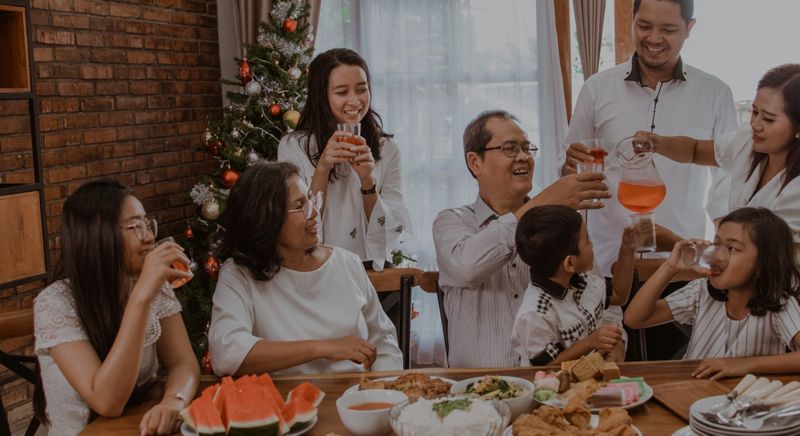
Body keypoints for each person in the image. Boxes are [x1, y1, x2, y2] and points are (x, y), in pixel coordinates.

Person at [561, 0, 738, 278]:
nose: (654, 39)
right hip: (606, 263)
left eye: (668, 29)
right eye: (644, 26)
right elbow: (568, 167)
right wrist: (569, 166)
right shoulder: (596, 88)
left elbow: (728, 177)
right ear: (632, 21)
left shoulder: (716, 93)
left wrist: (727, 244)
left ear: (689, 28)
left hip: (682, 264)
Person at [433, 110, 611, 368]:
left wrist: (615, 349)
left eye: (527, 148)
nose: (524, 157)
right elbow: (465, 268)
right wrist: (544, 201)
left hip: (555, 388)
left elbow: (599, 300)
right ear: (475, 162)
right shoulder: (452, 221)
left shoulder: (556, 224)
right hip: (480, 391)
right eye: (510, 148)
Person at [33, 180, 199, 435]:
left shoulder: (153, 288)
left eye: (147, 223)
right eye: (135, 226)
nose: (149, 236)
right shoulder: (55, 302)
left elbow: (183, 363)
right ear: (96, 236)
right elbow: (107, 401)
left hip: (135, 428)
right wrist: (141, 297)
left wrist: (172, 402)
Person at [208, 162, 403, 376]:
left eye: (311, 198)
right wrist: (323, 348)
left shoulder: (348, 263)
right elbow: (226, 354)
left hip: (353, 399)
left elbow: (383, 342)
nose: (314, 212)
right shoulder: (238, 274)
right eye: (300, 205)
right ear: (266, 217)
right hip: (282, 404)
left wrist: (381, 392)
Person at [625, 208, 800, 379]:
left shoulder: (779, 304)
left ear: (763, 263)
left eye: (732, 248)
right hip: (690, 392)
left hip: (741, 401)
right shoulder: (701, 291)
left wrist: (743, 365)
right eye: (716, 244)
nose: (717, 256)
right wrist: (670, 268)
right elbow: (635, 319)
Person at [635, 64, 800, 245]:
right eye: (754, 111)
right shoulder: (746, 142)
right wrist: (660, 143)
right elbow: (695, 150)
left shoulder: (795, 191)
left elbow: (759, 260)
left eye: (768, 119)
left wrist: (675, 242)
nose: (756, 124)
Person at [278, 48, 411, 270]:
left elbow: (390, 232)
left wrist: (368, 181)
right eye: (341, 92)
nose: (355, 101)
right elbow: (295, 226)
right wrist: (322, 169)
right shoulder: (294, 146)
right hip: (317, 269)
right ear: (322, 95)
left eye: (362, 89)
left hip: (373, 272)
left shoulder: (386, 149)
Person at [512, 205, 635, 365]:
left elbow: (619, 295)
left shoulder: (585, 281)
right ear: (570, 262)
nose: (592, 245)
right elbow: (546, 367)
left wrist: (627, 248)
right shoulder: (536, 313)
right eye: (586, 241)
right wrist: (590, 342)